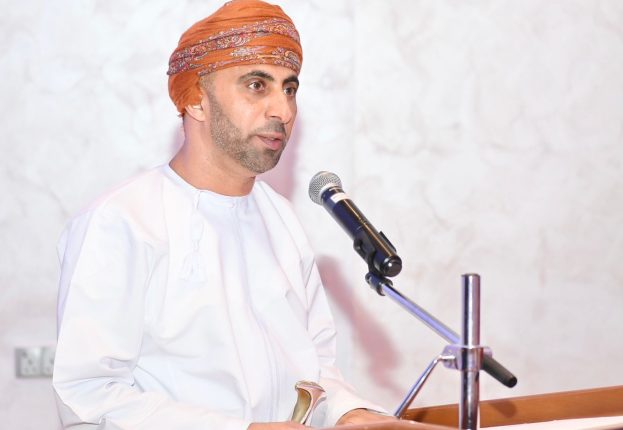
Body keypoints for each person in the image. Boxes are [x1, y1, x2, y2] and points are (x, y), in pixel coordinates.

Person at [52, 1, 394, 428]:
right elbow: (88, 397)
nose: (284, 111)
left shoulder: (281, 218)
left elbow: (316, 369)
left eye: (290, 89)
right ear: (196, 98)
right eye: (257, 85)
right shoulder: (121, 222)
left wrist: (352, 412)